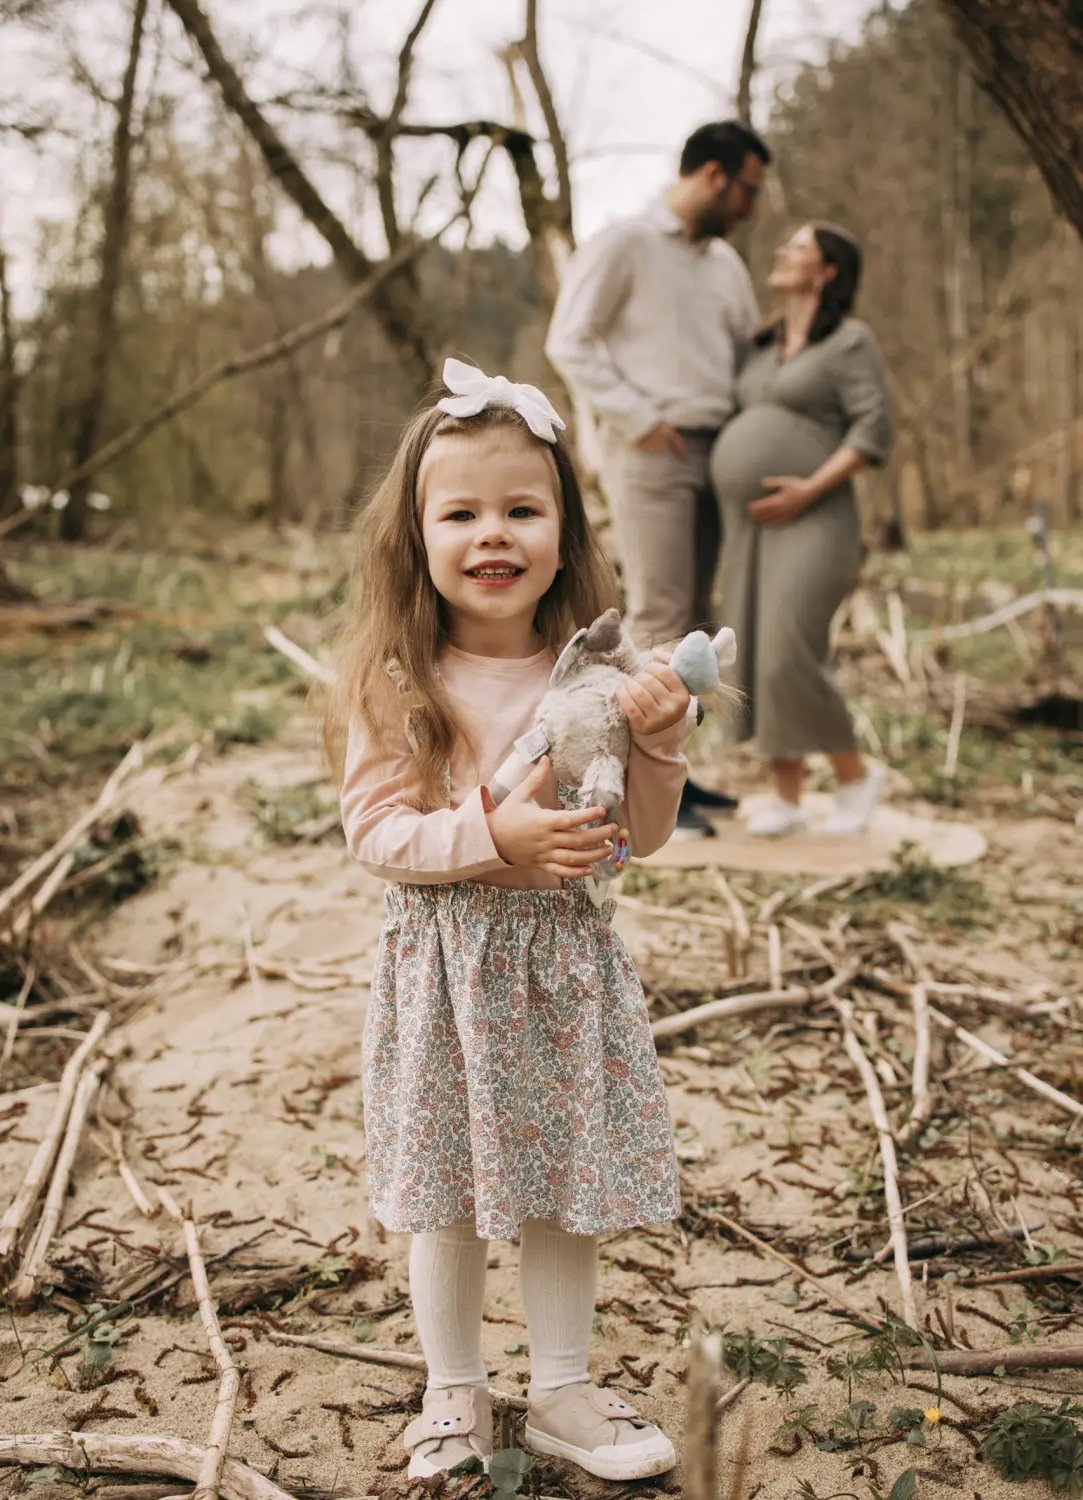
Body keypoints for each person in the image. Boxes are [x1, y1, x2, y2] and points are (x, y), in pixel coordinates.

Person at [328, 360, 693, 1482]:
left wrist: (663, 743)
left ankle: (564, 1389)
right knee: (446, 1198)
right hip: (447, 974)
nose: (495, 534)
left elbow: (640, 833)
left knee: (561, 1191)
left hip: (564, 971)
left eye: (522, 510)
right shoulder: (403, 676)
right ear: (419, 535)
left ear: (564, 534)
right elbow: (377, 831)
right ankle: (454, 1394)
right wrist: (492, 835)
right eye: (464, 513)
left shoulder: (597, 677)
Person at [545, 119, 771, 837]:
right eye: (747, 190)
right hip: (650, 448)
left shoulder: (725, 266)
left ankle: (674, 777)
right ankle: (632, 787)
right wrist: (636, 417)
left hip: (720, 448)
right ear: (711, 174)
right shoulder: (624, 242)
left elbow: (745, 354)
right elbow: (568, 338)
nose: (750, 207)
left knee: (697, 623)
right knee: (659, 612)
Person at [709, 223, 893, 837]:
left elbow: (872, 429)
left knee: (790, 649)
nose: (782, 252)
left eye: (798, 248)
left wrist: (809, 488)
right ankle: (786, 795)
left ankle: (854, 775)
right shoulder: (761, 347)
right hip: (752, 524)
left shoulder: (848, 342)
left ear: (828, 271)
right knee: (755, 651)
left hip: (816, 516)